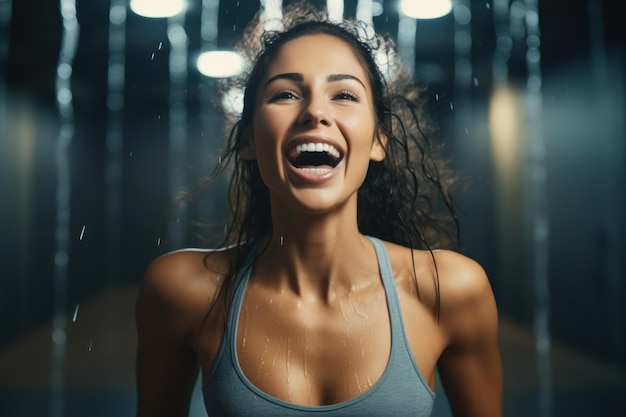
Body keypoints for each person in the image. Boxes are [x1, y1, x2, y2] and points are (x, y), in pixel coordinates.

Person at [135, 2, 502, 416]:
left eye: (344, 94)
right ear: (249, 141)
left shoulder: (448, 291)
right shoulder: (183, 292)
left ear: (379, 140)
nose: (315, 112)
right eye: (285, 94)